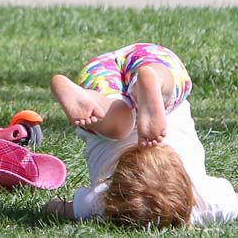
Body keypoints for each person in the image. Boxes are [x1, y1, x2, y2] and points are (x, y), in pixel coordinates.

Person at [45, 42, 238, 228]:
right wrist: (55, 208)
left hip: (153, 58)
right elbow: (56, 208)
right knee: (116, 127)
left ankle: (156, 82)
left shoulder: (209, 205)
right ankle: (106, 94)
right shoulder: (102, 204)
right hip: (97, 78)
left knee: (126, 121)